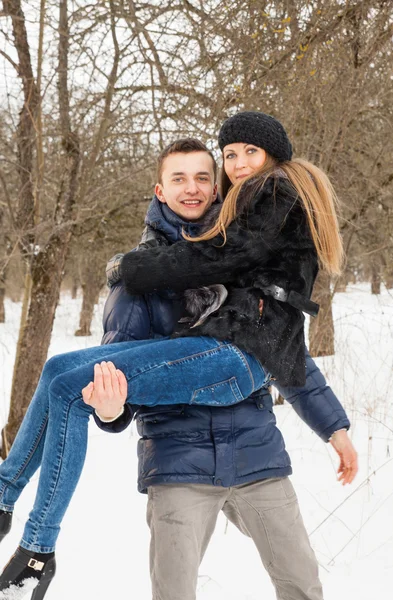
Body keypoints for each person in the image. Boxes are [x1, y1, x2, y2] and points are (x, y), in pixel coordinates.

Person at [0, 112, 357, 600]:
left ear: (216, 190)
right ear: (159, 190)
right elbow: (119, 377)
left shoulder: (243, 239)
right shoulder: (183, 264)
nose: (194, 187)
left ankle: (35, 544)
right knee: (60, 372)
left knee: (301, 586)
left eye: (204, 176)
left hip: (254, 449)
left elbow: (279, 343)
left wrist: (332, 425)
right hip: (180, 459)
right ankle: (8, 505)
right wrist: (110, 408)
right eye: (180, 178)